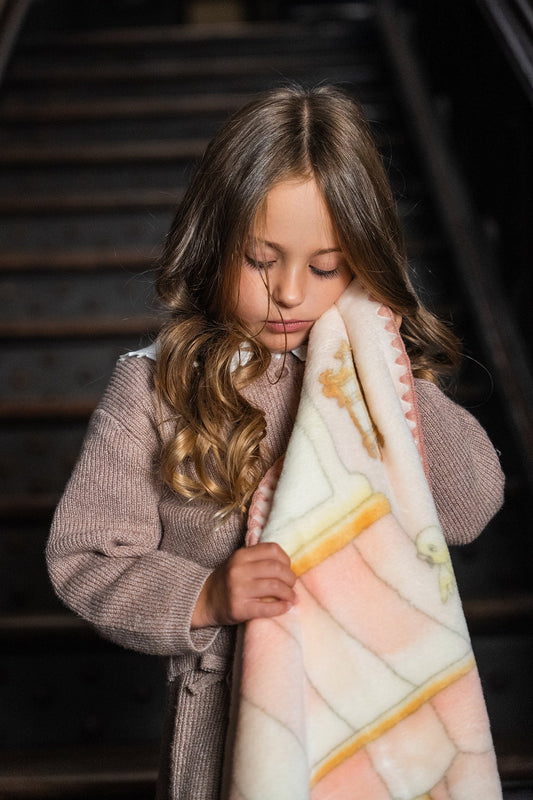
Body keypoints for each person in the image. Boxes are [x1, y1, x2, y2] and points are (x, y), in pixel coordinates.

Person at [46, 85, 504, 799]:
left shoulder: (375, 374)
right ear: (214, 243)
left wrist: (386, 357)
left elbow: (469, 507)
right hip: (227, 732)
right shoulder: (153, 388)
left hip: (374, 718)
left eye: (326, 267)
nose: (290, 292)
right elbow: (85, 556)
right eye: (262, 259)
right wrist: (204, 595)